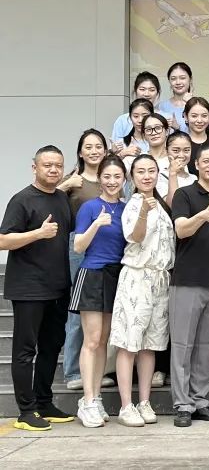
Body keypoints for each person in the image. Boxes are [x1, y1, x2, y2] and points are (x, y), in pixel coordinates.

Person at [0, 145, 74, 431]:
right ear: (35, 167)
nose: (53, 170)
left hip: (58, 287)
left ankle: (44, 403)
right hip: (29, 288)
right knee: (25, 350)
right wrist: (38, 233)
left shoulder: (61, 199)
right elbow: (3, 240)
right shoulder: (22, 200)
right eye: (47, 165)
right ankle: (26, 411)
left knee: (51, 347)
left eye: (58, 165)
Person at [170, 144, 209, 428]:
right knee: (183, 345)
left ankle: (200, 401)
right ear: (196, 165)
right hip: (186, 281)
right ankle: (182, 405)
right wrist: (202, 216)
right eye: (206, 161)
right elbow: (181, 229)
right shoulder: (184, 194)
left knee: (206, 347)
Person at [110, 154, 175, 428]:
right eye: (140, 172)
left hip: (160, 279)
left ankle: (144, 401)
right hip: (137, 276)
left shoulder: (161, 204)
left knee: (150, 345)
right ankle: (126, 405)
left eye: (151, 171)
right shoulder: (134, 204)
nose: (147, 176)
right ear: (132, 177)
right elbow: (135, 237)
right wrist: (144, 213)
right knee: (129, 343)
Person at [70, 155, 127, 428]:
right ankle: (88, 400)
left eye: (117, 177)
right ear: (100, 179)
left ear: (124, 179)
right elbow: (78, 246)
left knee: (104, 341)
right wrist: (96, 224)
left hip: (116, 276)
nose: (112, 181)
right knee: (91, 340)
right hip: (92, 273)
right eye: (107, 176)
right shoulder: (90, 207)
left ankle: (96, 397)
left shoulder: (127, 208)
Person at [57, 130, 112, 393]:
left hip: (108, 248)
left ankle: (97, 370)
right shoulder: (73, 180)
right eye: (88, 147)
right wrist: (66, 185)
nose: (93, 151)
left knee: (102, 311)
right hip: (79, 246)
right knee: (78, 309)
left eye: (98, 146)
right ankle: (72, 371)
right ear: (80, 152)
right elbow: (48, 198)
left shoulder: (110, 178)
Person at [111, 73, 161, 150]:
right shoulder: (122, 120)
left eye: (151, 90)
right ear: (135, 91)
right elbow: (115, 148)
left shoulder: (164, 118)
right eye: (142, 89)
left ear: (157, 92)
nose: (146, 94)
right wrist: (120, 153)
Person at [164, 132, 197, 206]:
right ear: (166, 151)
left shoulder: (194, 178)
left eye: (186, 150)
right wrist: (173, 173)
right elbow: (173, 205)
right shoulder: (160, 177)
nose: (181, 155)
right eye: (176, 150)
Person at [158, 62, 193, 132]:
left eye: (182, 78)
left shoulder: (199, 105)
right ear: (169, 81)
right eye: (173, 79)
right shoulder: (161, 107)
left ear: (190, 79)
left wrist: (191, 103)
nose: (178, 82)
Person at [183, 97, 209, 170]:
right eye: (194, 116)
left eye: (204, 116)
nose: (199, 120)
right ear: (186, 117)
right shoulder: (180, 143)